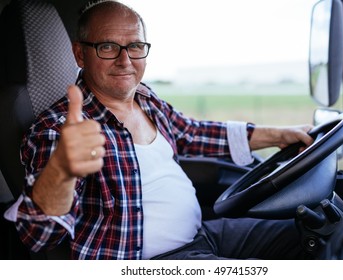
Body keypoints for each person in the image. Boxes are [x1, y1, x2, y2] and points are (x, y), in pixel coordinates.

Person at [5, 0, 314, 260]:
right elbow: (39, 237)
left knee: (316, 233)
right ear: (79, 54)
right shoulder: (57, 130)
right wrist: (60, 171)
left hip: (203, 234)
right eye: (108, 46)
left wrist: (280, 135)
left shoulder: (146, 98)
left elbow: (192, 133)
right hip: (159, 260)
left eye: (135, 46)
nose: (125, 60)